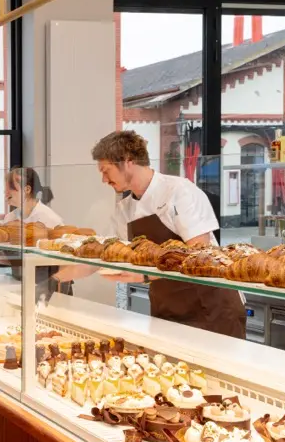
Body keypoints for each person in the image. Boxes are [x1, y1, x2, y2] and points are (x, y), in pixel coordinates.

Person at [90, 130, 245, 338]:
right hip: (167, 309)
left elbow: (199, 255)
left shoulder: (179, 191)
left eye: (106, 170)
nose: (103, 179)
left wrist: (144, 275)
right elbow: (116, 251)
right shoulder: (124, 208)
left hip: (210, 309)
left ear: (127, 161)